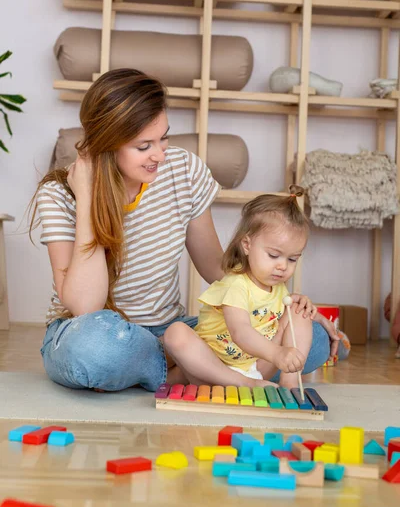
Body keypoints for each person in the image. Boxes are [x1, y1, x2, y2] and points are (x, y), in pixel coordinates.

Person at [29, 68, 337, 393]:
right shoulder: (61, 193)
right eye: (144, 145)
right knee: (98, 350)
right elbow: (86, 307)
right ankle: (182, 370)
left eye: (163, 138)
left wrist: (283, 307)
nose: (160, 155)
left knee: (311, 342)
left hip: (169, 329)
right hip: (92, 331)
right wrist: (88, 197)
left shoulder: (182, 169)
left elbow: (216, 268)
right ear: (107, 144)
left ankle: (173, 367)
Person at [163, 188, 317, 388]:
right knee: (176, 333)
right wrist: (278, 353)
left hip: (255, 367)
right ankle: (242, 383)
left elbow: (282, 321)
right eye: (273, 255)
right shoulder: (236, 284)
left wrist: (298, 306)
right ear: (246, 245)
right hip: (215, 367)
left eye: (292, 259)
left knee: (300, 313)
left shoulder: (278, 288)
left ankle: (290, 381)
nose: (282, 266)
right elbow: (240, 332)